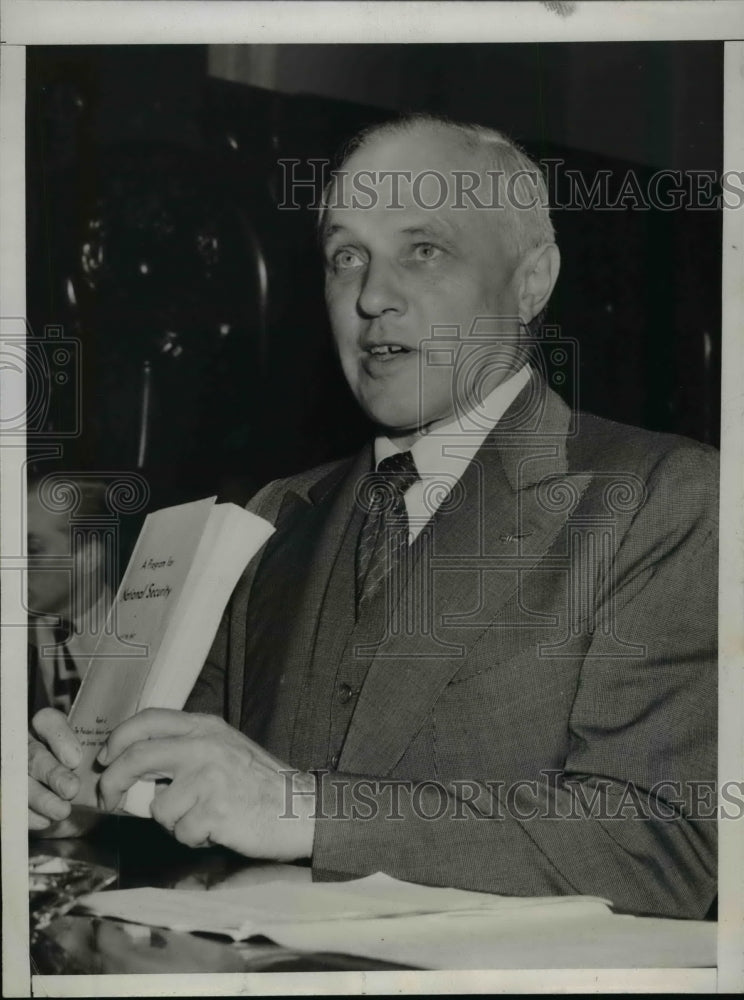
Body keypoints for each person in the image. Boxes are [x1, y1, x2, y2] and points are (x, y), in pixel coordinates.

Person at [28, 115, 718, 919]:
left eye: (423, 250)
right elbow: (190, 795)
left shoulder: (662, 498)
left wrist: (306, 810)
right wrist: (86, 800)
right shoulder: (275, 518)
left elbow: (660, 845)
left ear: (533, 281)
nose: (371, 296)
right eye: (345, 257)